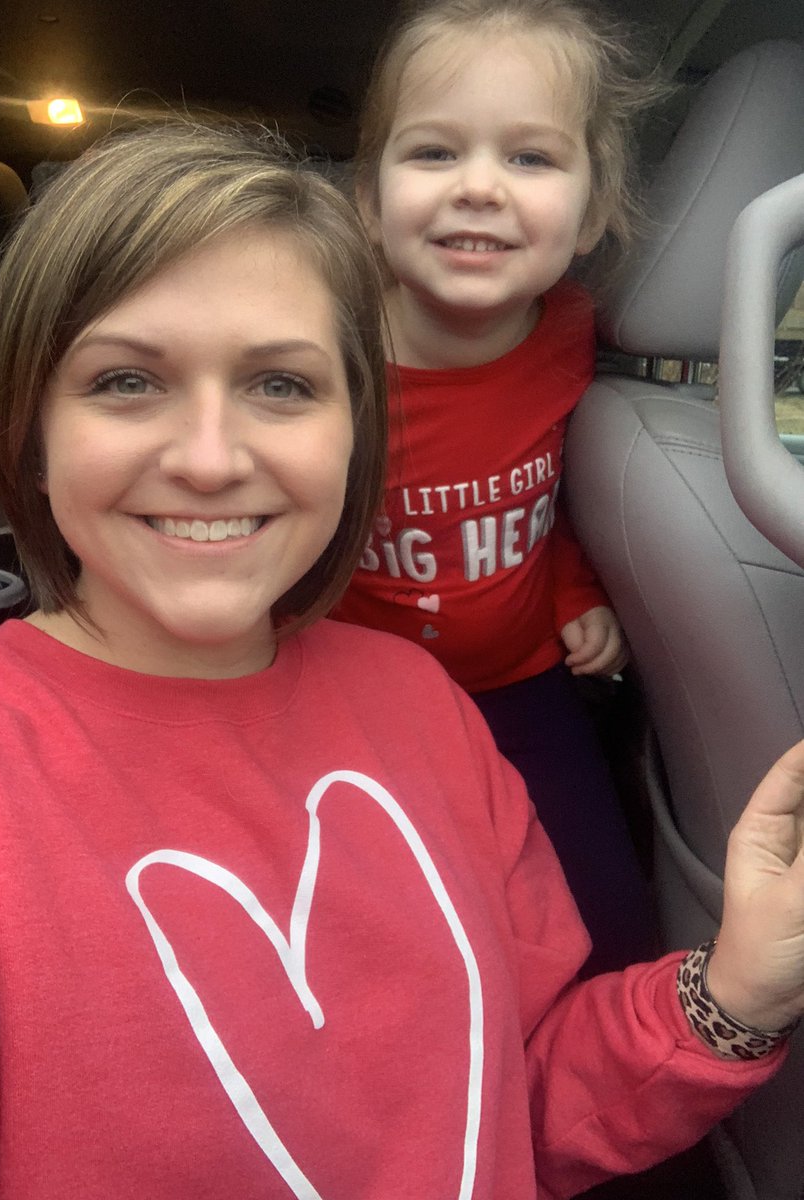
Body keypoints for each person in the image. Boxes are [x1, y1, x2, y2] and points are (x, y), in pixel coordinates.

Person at [0, 120, 802, 1200]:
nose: (208, 458)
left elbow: (505, 1106)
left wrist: (736, 990)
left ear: (353, 435)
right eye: (126, 382)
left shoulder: (416, 701)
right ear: (31, 431)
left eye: (281, 386)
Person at [332, 0, 664, 972]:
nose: (479, 187)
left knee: (606, 929)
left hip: (523, 685)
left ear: (595, 208)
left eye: (531, 158)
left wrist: (575, 591)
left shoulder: (573, 338)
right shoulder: (321, 353)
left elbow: (557, 497)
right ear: (369, 197)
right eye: (434, 153)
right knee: (391, 942)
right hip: (348, 697)